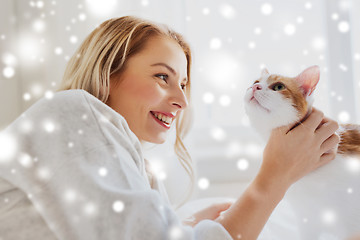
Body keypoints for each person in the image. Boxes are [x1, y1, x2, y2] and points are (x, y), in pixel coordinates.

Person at [0, 16, 339, 240]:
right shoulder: (73, 113)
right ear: (108, 70)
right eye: (163, 76)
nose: (182, 101)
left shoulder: (135, 170)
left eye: (184, 84)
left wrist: (184, 227)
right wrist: (273, 178)